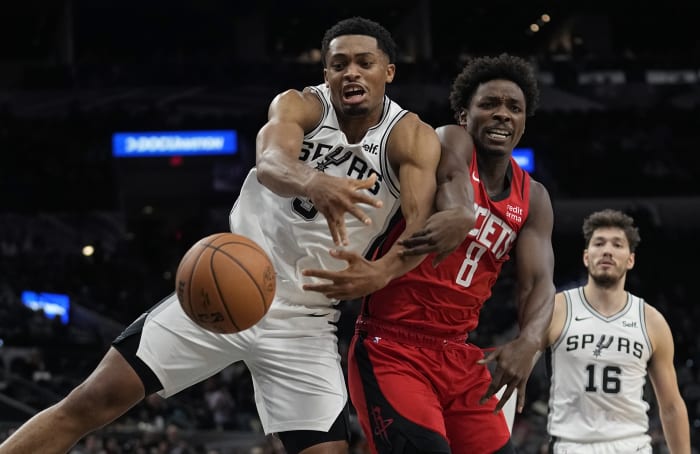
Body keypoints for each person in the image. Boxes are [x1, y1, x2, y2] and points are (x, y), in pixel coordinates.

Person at [0, 17, 443, 454]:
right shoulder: (301, 106)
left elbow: (420, 224)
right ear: (325, 72)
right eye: (339, 63)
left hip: (305, 323)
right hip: (224, 283)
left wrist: (381, 273)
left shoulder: (409, 136)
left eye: (365, 62)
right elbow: (270, 162)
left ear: (388, 71)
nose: (351, 71)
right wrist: (314, 183)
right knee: (90, 401)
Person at [304, 54, 556, 453]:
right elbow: (453, 176)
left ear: (524, 121)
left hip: (459, 353)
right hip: (392, 347)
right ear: (464, 114)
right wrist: (460, 210)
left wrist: (529, 342)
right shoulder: (449, 141)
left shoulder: (534, 198)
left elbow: (539, 282)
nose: (502, 115)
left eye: (514, 108)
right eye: (488, 104)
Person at [544, 209, 690, 453]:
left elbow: (672, 406)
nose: (607, 250)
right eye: (599, 243)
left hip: (631, 445)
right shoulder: (556, 309)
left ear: (630, 259)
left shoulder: (651, 321)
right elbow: (516, 374)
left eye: (617, 244)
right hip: (571, 445)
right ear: (586, 257)